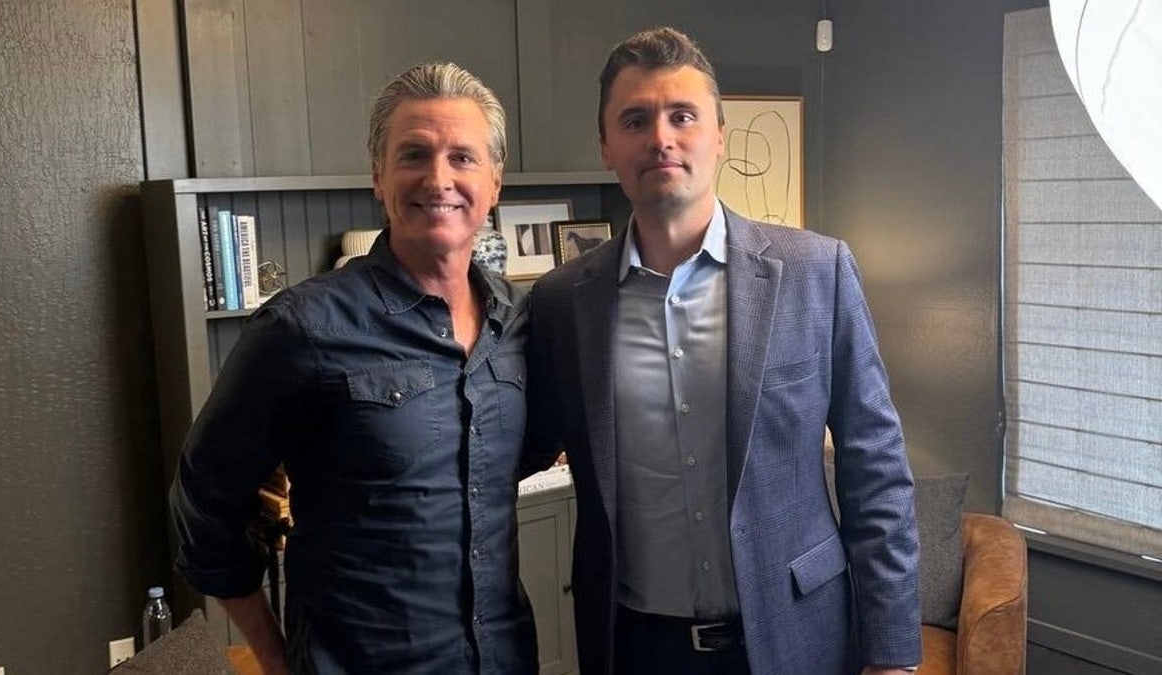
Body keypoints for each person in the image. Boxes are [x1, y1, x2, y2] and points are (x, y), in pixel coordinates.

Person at [524, 27, 921, 675]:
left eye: (683, 116)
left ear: (719, 138)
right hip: (635, 648)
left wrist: (892, 652)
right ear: (605, 146)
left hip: (799, 636)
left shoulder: (817, 272)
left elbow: (874, 467)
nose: (661, 137)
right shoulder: (560, 302)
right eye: (635, 120)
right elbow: (517, 445)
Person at [171, 62, 537, 674]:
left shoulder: (519, 321)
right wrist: (275, 658)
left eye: (462, 157)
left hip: (502, 659)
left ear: (494, 183)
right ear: (378, 177)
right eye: (413, 154)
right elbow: (203, 504)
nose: (438, 178)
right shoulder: (301, 329)